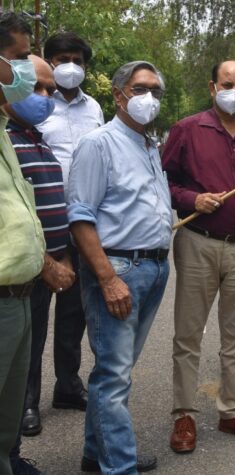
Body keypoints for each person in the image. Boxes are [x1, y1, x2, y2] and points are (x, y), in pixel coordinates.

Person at [163, 60, 235, 454]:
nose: (234, 91)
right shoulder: (187, 129)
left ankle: (233, 411)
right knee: (188, 334)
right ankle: (184, 414)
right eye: (227, 83)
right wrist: (191, 199)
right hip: (198, 241)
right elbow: (164, 184)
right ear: (213, 88)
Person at [67, 60, 171, 474]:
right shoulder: (99, 143)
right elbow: (80, 217)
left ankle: (98, 456)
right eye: (140, 88)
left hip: (154, 268)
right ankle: (120, 466)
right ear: (118, 94)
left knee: (117, 372)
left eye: (155, 91)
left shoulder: (149, 145)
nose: (149, 98)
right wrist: (108, 278)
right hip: (119, 270)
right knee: (113, 377)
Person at [6, 54, 76, 475]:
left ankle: (10, 453)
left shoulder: (34, 135)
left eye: (50, 90)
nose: (46, 97)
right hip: (24, 271)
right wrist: (47, 260)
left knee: (27, 354)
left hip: (48, 263)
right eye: (37, 88)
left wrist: (62, 251)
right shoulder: (7, 139)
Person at [35, 31, 104, 420]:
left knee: (73, 313)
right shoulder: (36, 106)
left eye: (76, 59)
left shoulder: (94, 107)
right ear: (48, 62)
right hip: (44, 223)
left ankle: (67, 385)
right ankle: (27, 399)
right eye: (61, 58)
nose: (69, 66)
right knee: (35, 314)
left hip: (81, 223)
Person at [0, 12, 47, 475]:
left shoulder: (6, 131)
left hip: (20, 294)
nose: (27, 73)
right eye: (17, 59)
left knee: (8, 410)